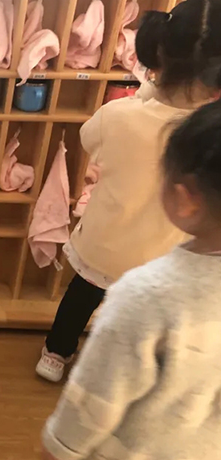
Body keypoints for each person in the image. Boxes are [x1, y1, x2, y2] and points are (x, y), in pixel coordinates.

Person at [40, 97, 221, 460]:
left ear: (185, 197)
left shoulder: (146, 294)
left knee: (81, 295)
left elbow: (100, 392)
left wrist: (60, 444)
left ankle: (55, 351)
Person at [36, 0, 221, 383]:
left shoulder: (117, 116)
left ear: (158, 52)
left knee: (80, 297)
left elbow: (88, 140)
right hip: (162, 258)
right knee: (141, 318)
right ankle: (117, 371)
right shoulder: (207, 136)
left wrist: (143, 97)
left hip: (105, 242)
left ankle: (55, 353)